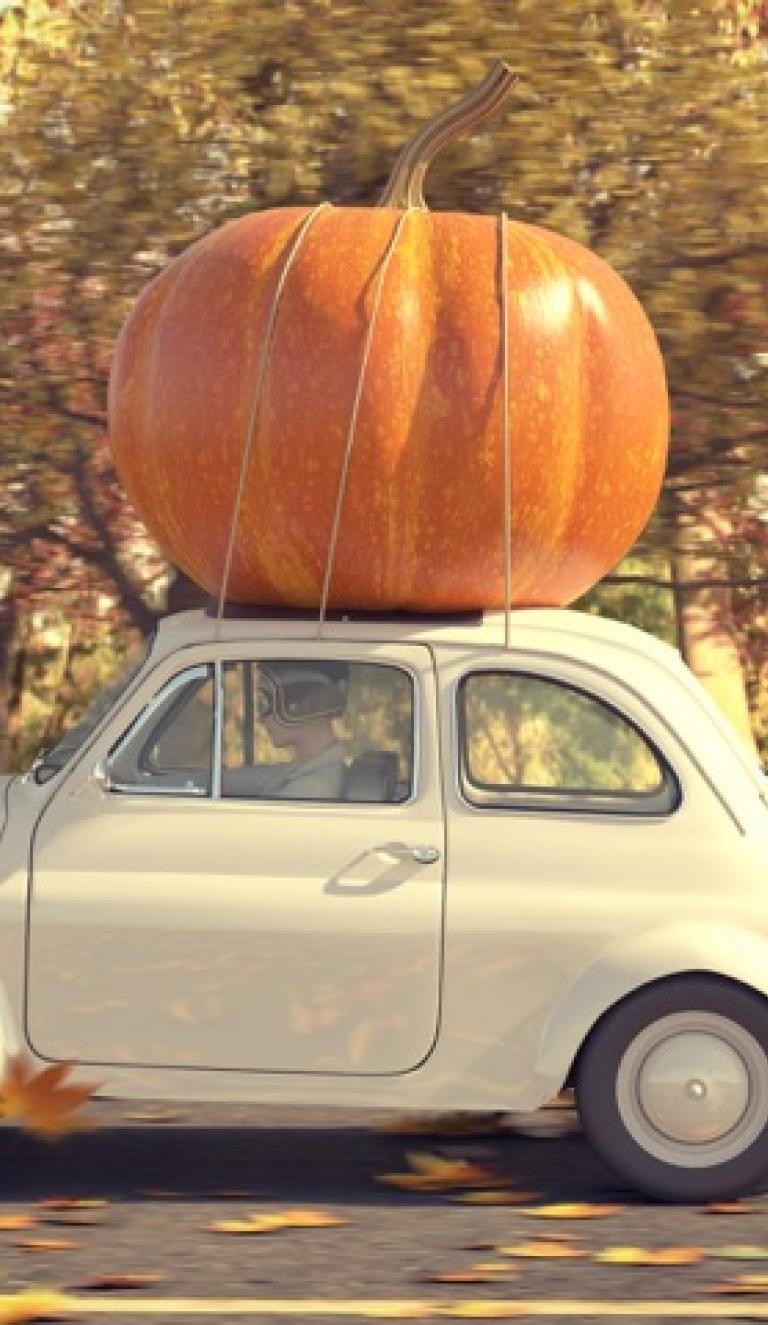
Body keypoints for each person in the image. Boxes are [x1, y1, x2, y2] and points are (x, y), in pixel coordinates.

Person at [253, 661, 349, 800]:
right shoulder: (309, 767)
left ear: (301, 706)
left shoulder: (310, 790)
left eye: (269, 702)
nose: (260, 719)